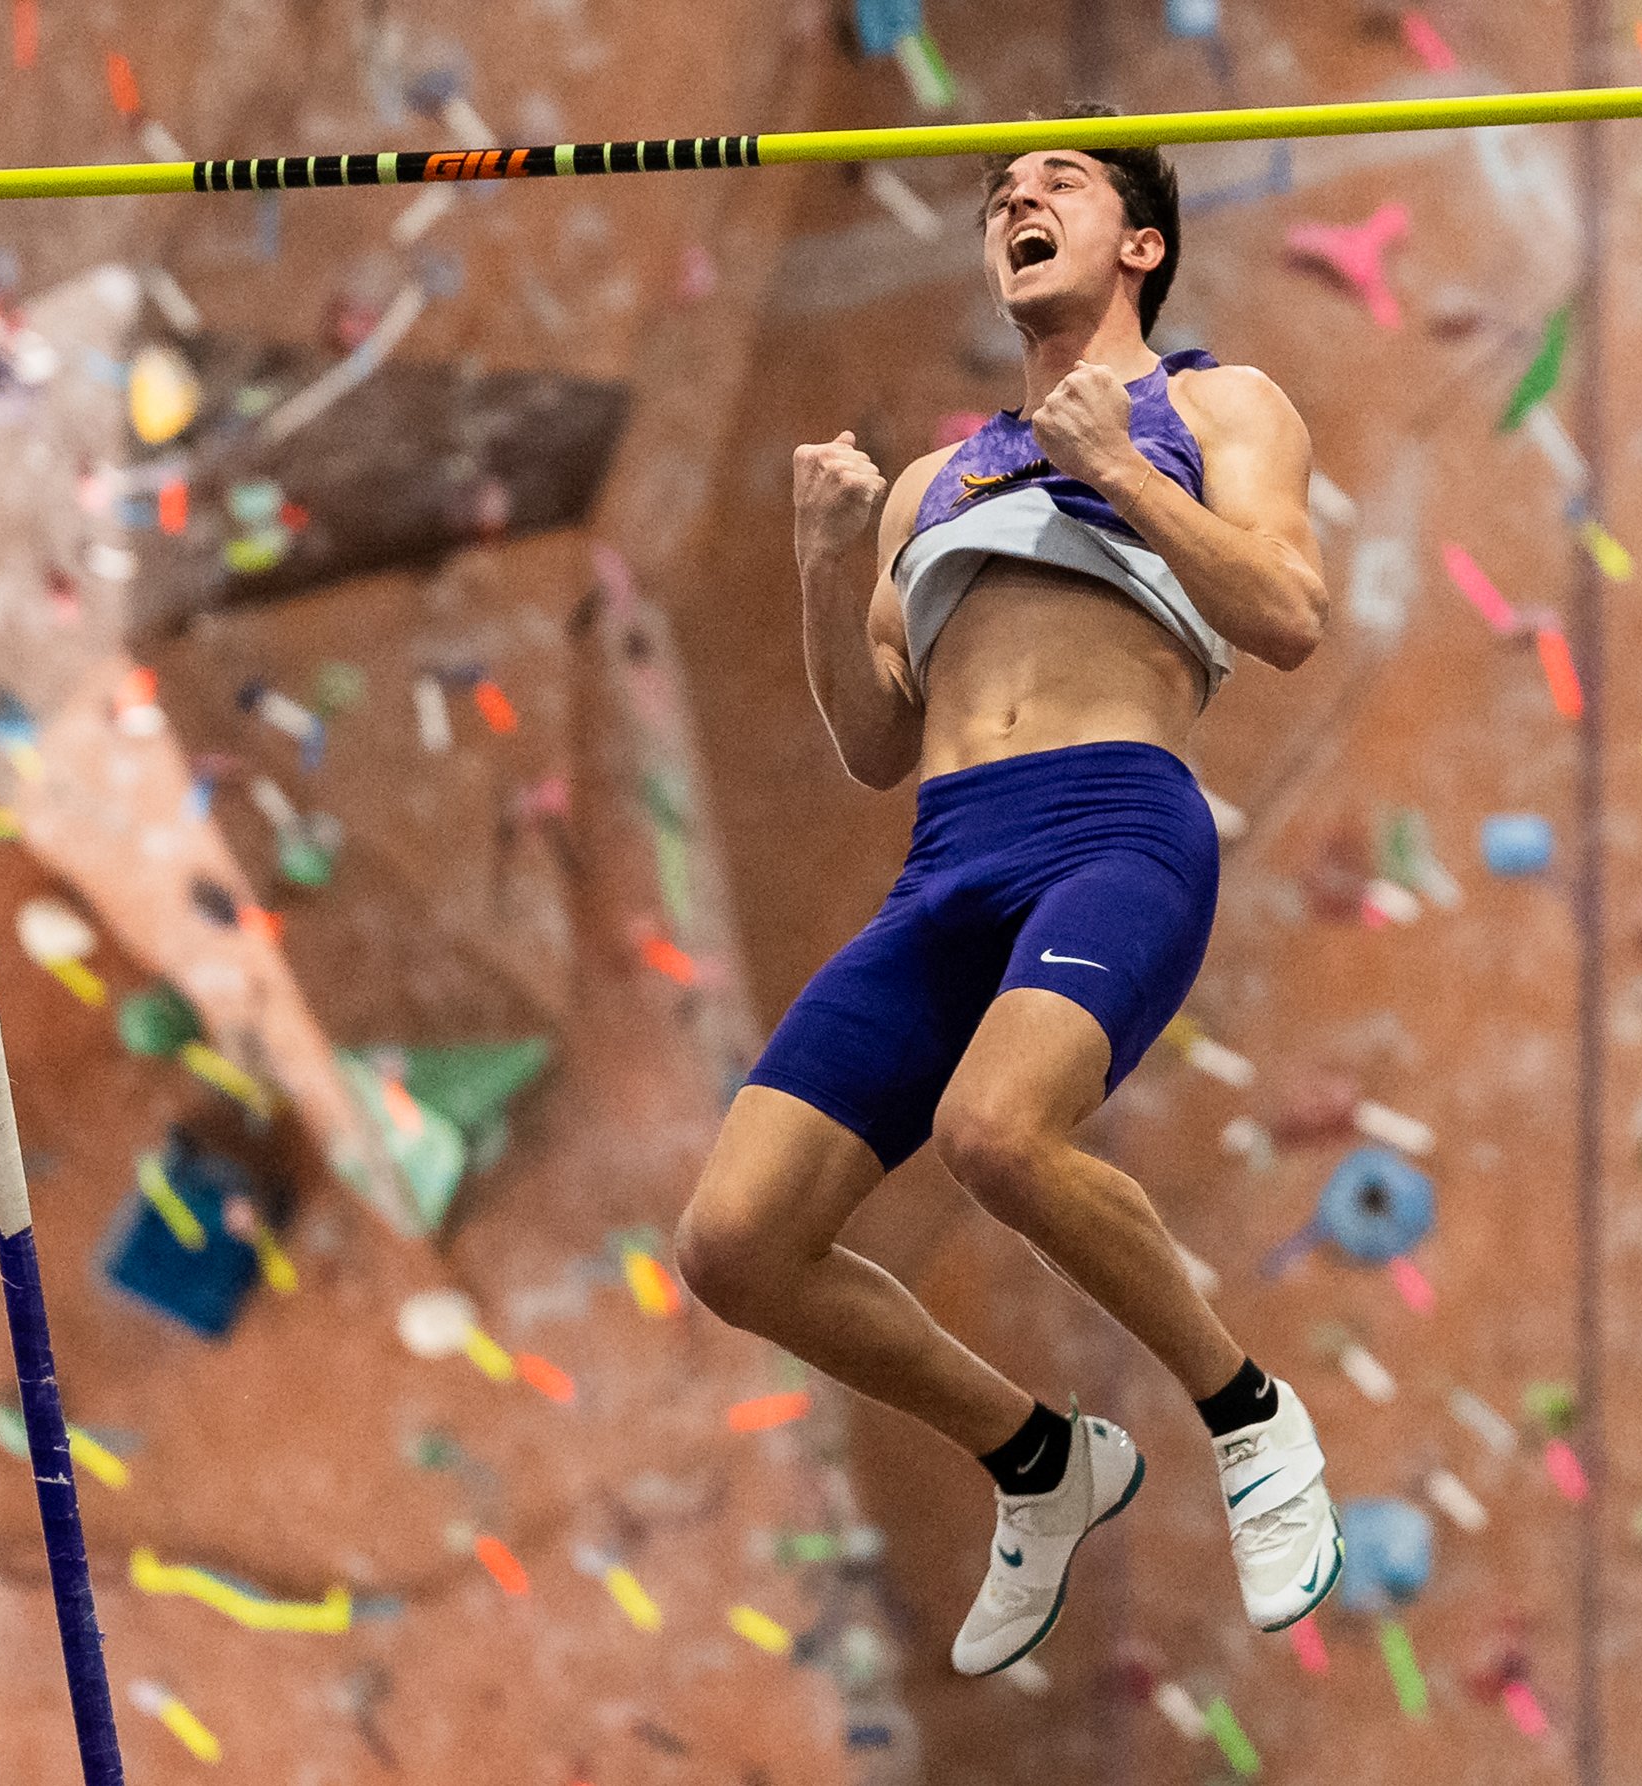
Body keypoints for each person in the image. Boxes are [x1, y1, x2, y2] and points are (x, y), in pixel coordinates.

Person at [673, 104, 1343, 1678]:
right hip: (947, 861)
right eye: (1000, 192)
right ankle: (1040, 1458)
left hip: (1115, 824)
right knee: (734, 1242)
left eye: (1062, 182)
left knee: (995, 1130)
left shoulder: (1218, 401)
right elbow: (872, 742)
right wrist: (825, 563)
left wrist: (1129, 472)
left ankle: (1249, 1416)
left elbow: (1293, 611)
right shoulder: (934, 479)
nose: (1018, 198)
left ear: (1144, 244)